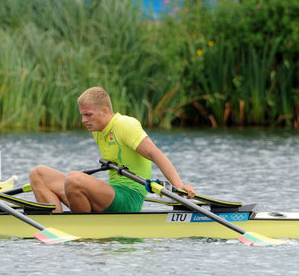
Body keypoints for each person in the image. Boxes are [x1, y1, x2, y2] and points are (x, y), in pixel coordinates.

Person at [29, 86, 195, 213]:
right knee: (38, 174)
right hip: (112, 193)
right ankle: (54, 225)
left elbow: (155, 154)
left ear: (104, 111)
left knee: (74, 179)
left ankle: (82, 232)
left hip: (129, 198)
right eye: (82, 114)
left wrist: (179, 186)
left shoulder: (124, 125)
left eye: (88, 115)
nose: (83, 120)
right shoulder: (98, 129)